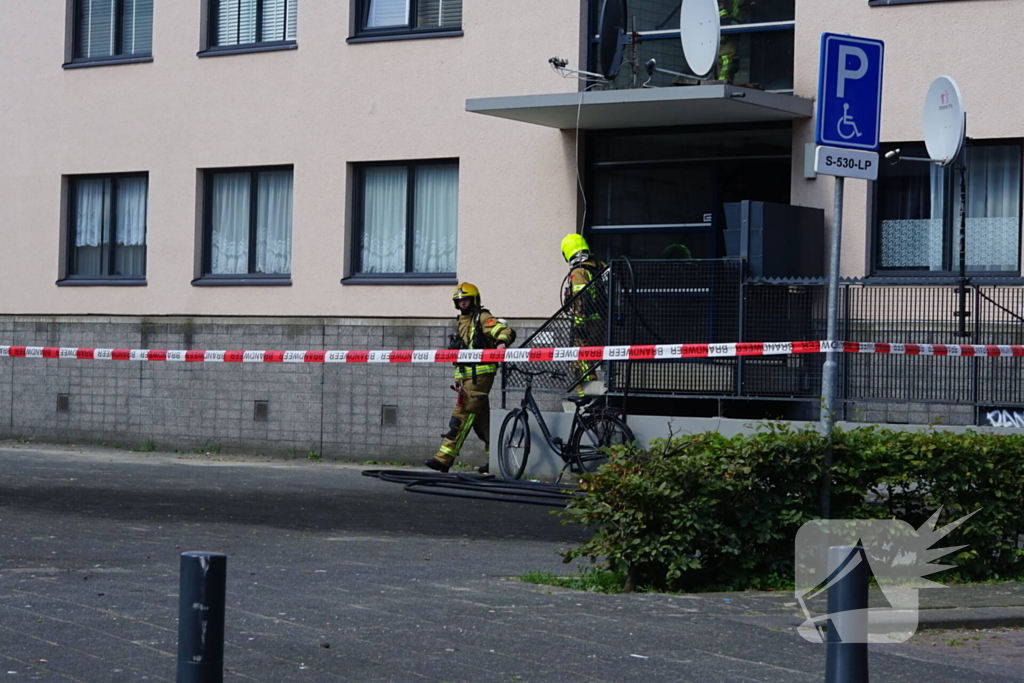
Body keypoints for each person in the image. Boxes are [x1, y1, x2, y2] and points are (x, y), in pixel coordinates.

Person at [424, 283, 515, 473]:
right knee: (483, 423)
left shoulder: (482, 317)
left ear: (474, 300)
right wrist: (458, 378)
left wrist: (501, 343)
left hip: (480, 375)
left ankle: (443, 459)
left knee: (462, 416)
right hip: (467, 377)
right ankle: (496, 461)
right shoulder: (461, 322)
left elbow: (505, 331)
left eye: (465, 300)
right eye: (459, 301)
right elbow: (461, 354)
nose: (462, 303)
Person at [560, 234, 606, 397]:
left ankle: (587, 395)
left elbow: (581, 298)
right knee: (589, 356)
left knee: (579, 359)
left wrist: (579, 325)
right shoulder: (601, 266)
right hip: (603, 319)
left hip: (587, 321)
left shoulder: (579, 270)